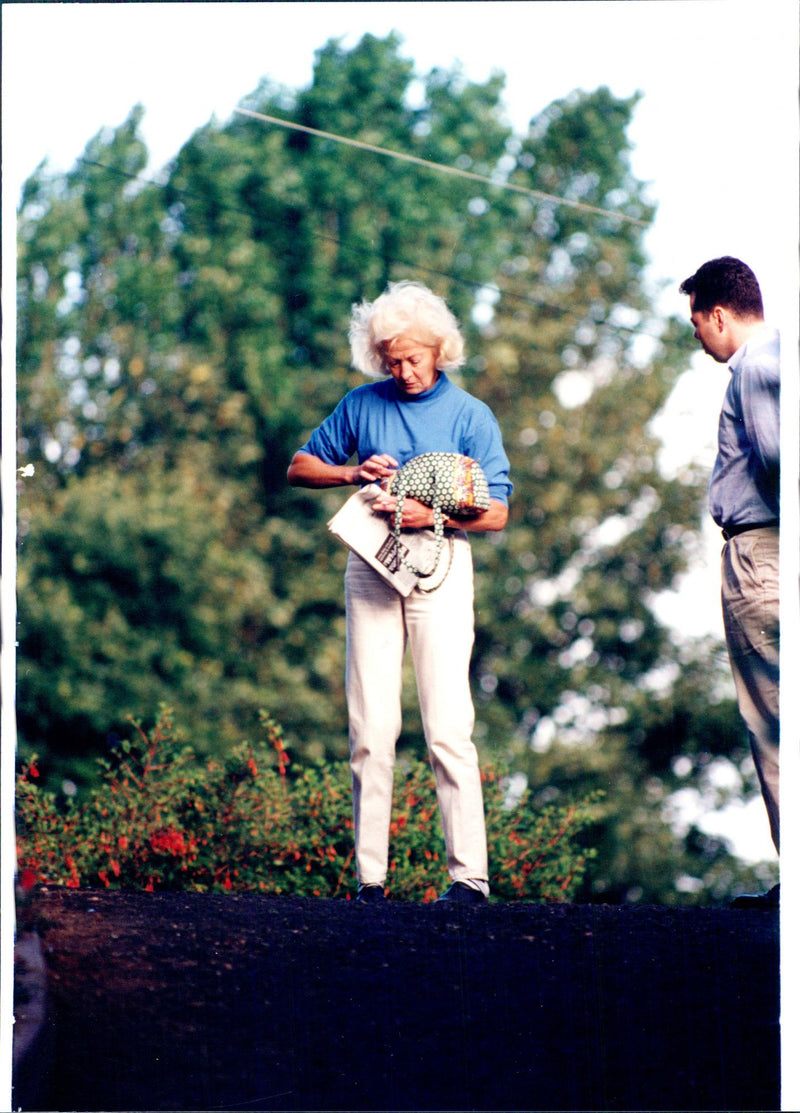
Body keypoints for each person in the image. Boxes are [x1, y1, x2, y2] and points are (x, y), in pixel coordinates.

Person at [287, 281, 512, 904]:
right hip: (370, 567)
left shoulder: (470, 415)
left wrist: (432, 515)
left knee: (447, 726)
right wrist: (349, 472)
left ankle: (468, 879)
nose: (404, 370)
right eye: (392, 361)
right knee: (370, 725)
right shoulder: (362, 405)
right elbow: (298, 467)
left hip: (441, 567)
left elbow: (496, 513)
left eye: (413, 358)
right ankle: (369, 880)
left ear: (440, 348)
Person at [680, 257, 780, 909]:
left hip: (762, 554)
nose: (699, 340)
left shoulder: (755, 365)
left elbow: (777, 457)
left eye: (697, 326)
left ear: (719, 314)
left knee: (773, 717)